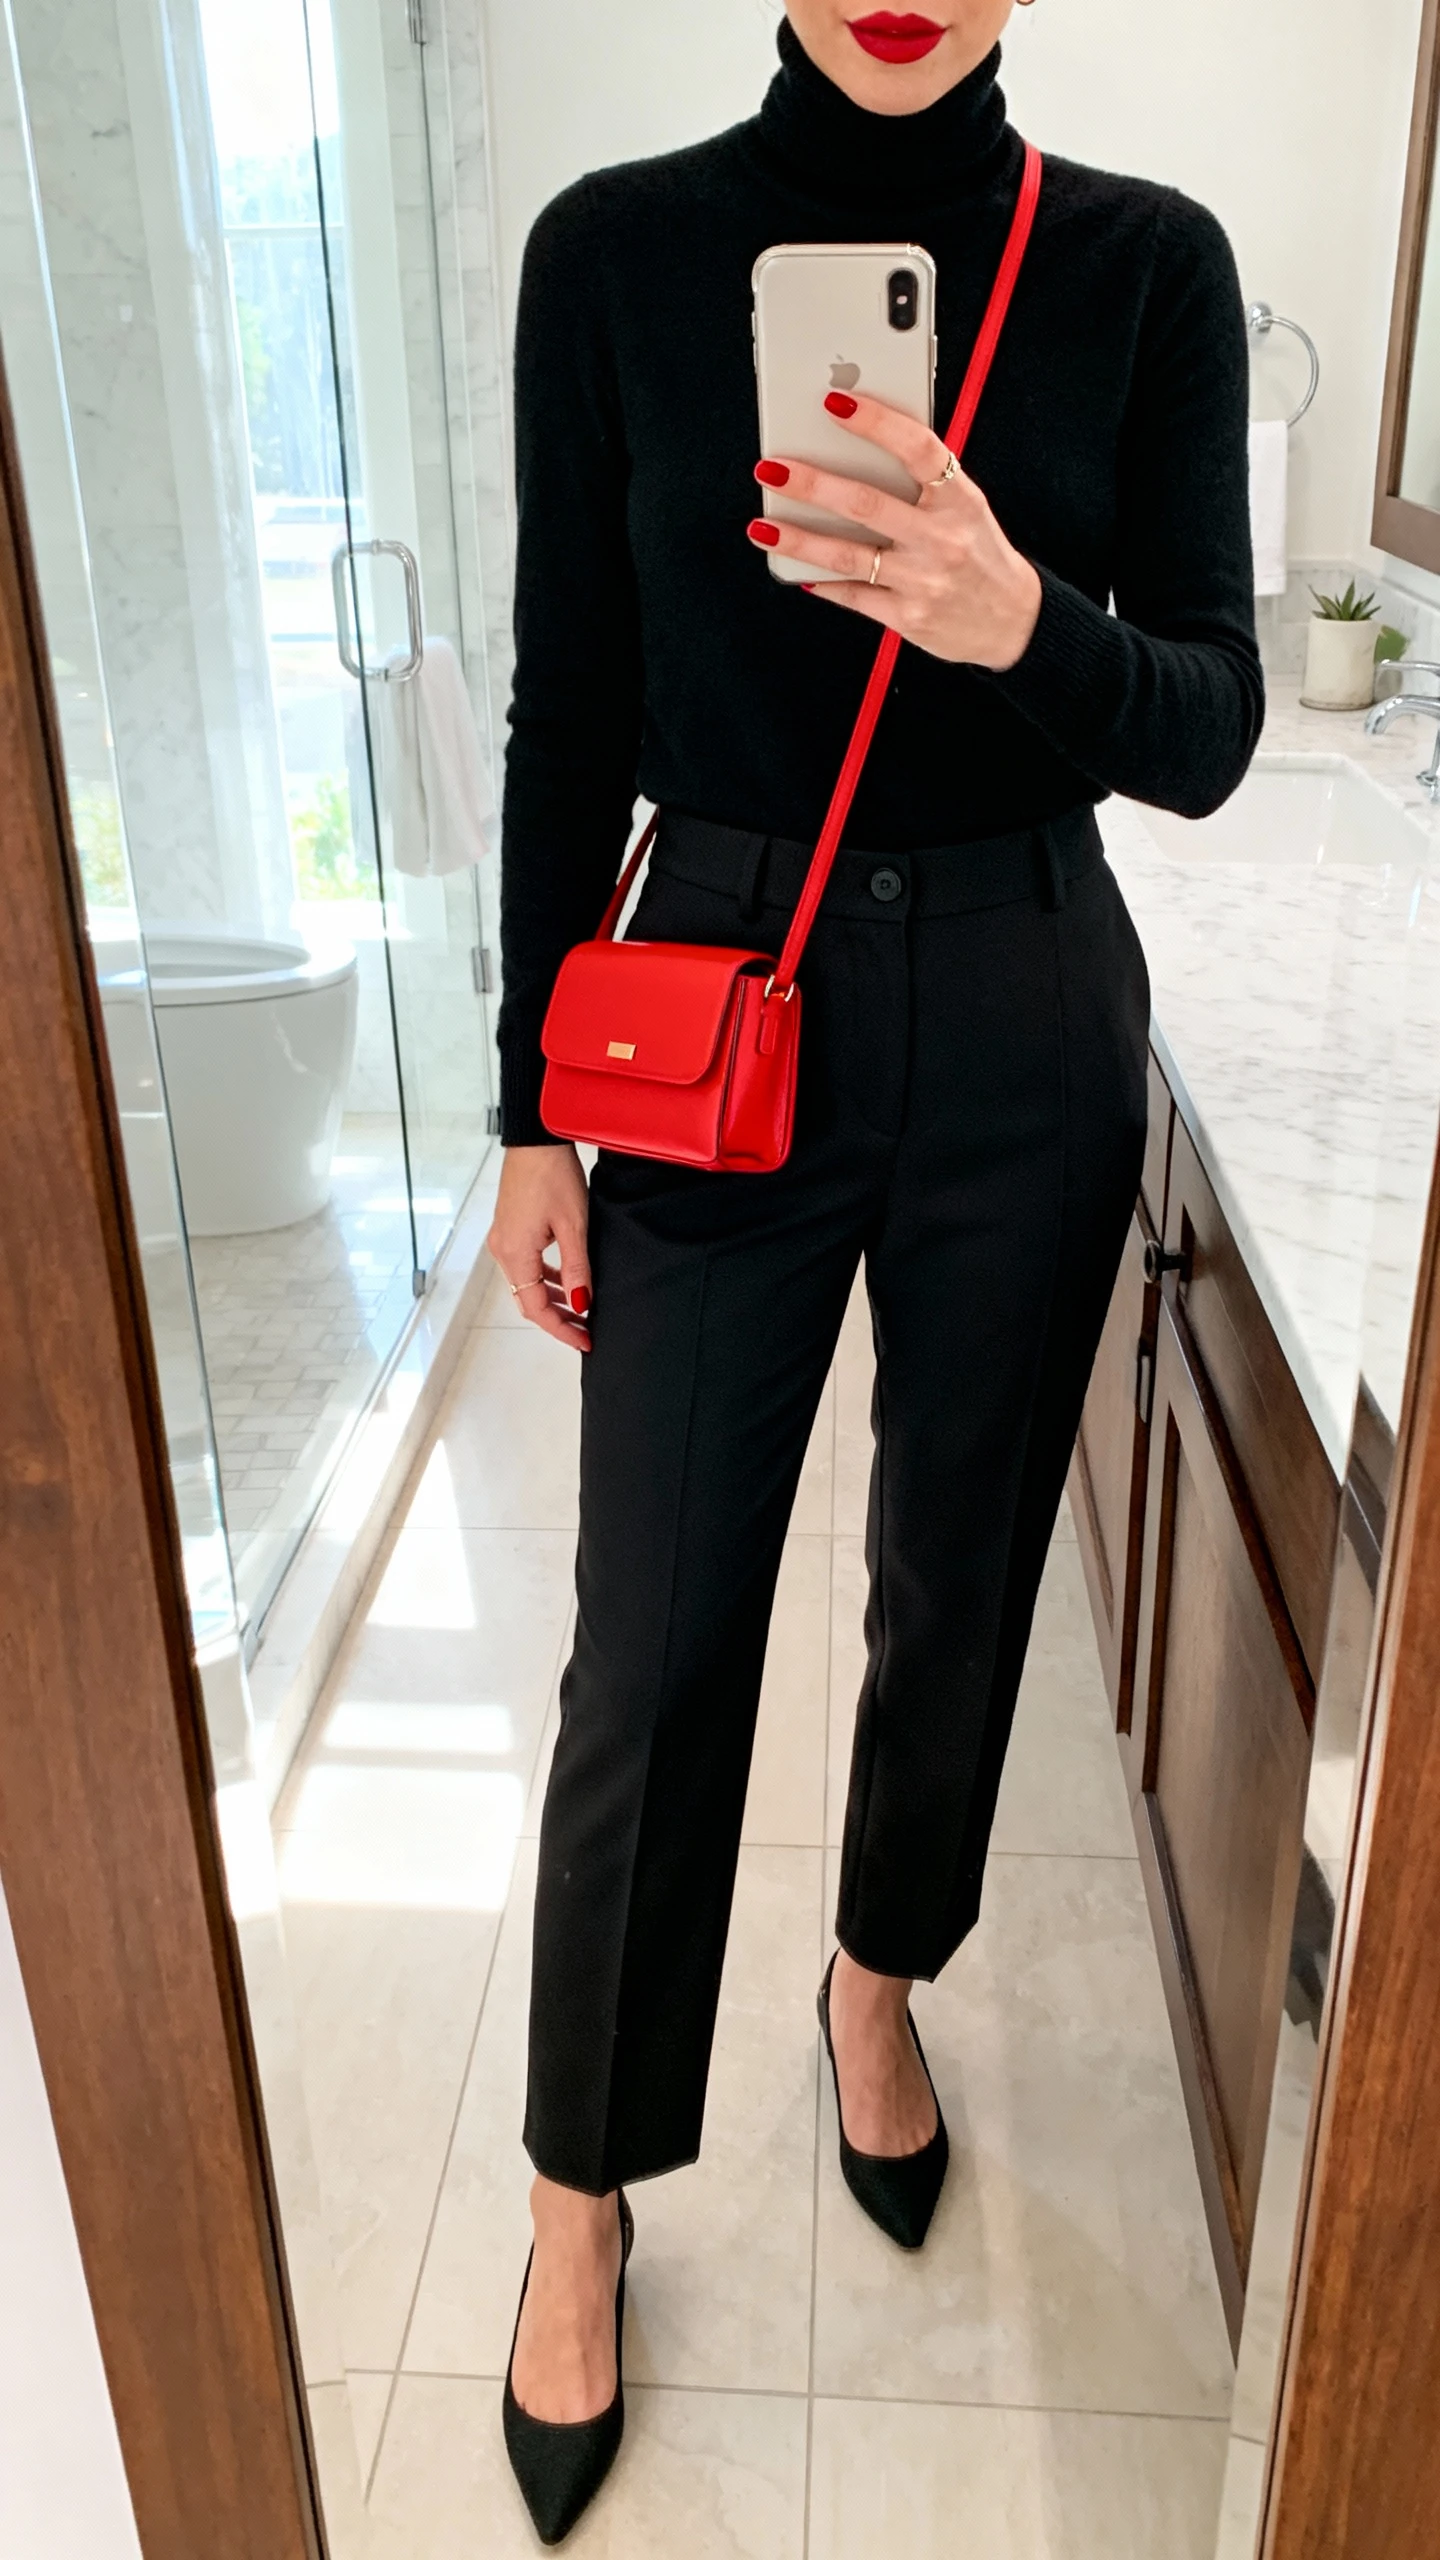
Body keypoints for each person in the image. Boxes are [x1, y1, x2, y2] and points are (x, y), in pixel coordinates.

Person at [488, 0, 1262, 2538]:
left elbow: (1212, 719)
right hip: (718, 982)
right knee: (660, 1626)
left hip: (1034, 1001)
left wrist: (1015, 613)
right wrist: (526, 1110)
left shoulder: (1143, 267)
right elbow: (568, 710)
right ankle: (578, 2195)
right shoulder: (613, 255)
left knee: (959, 1584)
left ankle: (874, 1975)